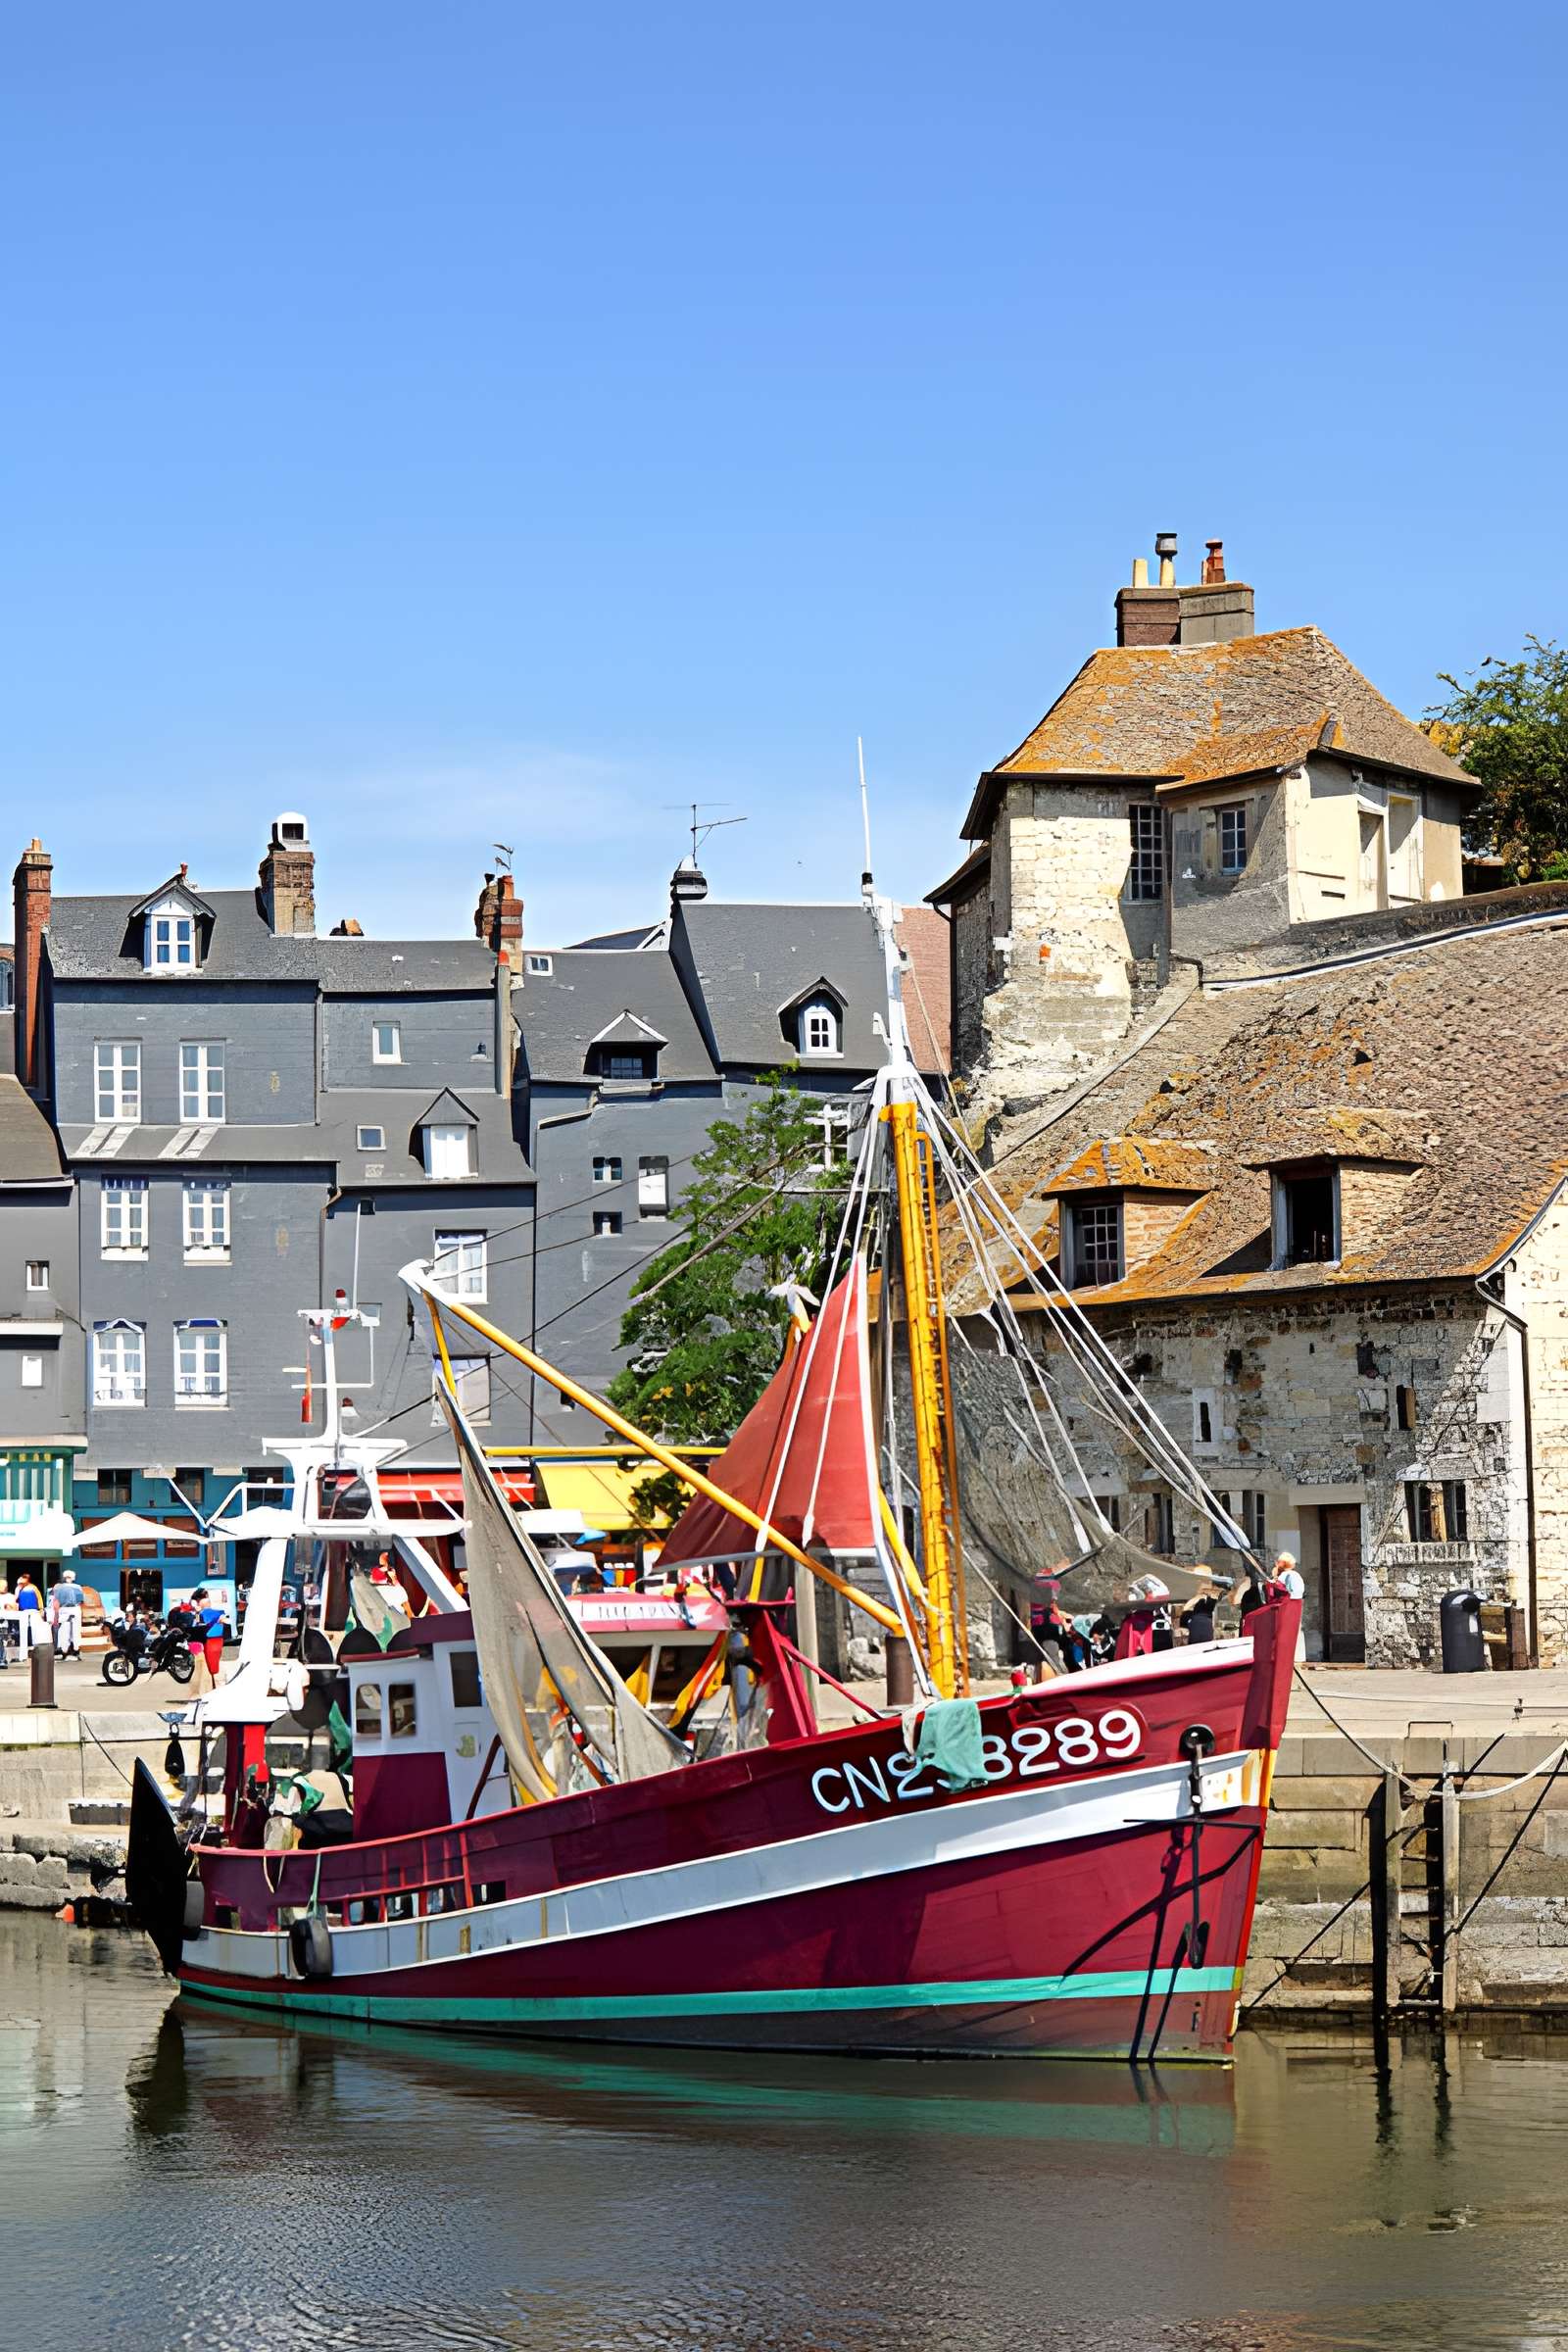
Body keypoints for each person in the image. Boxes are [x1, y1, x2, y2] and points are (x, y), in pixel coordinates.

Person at [188, 1588, 226, 1684]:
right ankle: (214, 1681)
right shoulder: (210, 1607)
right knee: (213, 1662)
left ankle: (212, 1682)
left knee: (204, 1663)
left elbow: (198, 1623)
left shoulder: (200, 1609)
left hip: (205, 1637)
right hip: (215, 1636)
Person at [50, 1569, 86, 1661]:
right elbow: (81, 1601)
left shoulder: (59, 1588)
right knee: (76, 1631)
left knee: (64, 1631)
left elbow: (56, 1601)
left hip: (64, 1610)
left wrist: (56, 1615)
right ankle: (76, 1650)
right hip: (75, 1609)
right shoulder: (78, 1587)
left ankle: (64, 1651)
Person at [13, 1571, 46, 1663]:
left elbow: (39, 1598)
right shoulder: (18, 1589)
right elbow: (15, 1600)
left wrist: (41, 1609)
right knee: (23, 1632)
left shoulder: (33, 1588)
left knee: (36, 1631)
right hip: (23, 1612)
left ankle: (37, 1652)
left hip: (34, 1611)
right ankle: (23, 1655)